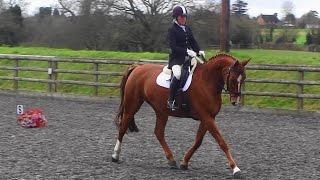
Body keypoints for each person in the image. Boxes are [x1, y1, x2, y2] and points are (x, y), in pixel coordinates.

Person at [166, 5, 205, 111]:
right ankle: (171, 100)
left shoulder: (187, 28)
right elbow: (173, 47)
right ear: (176, 17)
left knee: (201, 69)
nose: (183, 18)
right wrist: (186, 51)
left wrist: (198, 51)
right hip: (176, 59)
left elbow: (192, 41)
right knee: (178, 75)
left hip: (189, 58)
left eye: (184, 17)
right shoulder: (172, 30)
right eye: (181, 17)